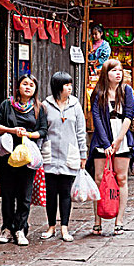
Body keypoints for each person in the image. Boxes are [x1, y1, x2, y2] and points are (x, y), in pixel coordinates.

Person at [0, 74, 47, 246]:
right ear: (18, 87)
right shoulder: (7, 105)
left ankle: (20, 229)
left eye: (31, 85)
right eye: (25, 84)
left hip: (28, 155)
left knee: (25, 195)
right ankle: (7, 228)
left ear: (35, 89)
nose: (28, 87)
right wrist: (12, 130)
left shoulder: (39, 108)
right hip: (7, 154)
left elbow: (43, 131)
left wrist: (29, 134)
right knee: (8, 194)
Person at [87, 59, 134, 235]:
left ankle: (119, 221)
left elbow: (129, 115)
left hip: (121, 138)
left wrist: (118, 140)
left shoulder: (126, 90)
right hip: (102, 139)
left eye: (120, 70)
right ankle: (97, 220)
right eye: (114, 70)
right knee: (99, 179)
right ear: (106, 73)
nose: (118, 73)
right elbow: (96, 118)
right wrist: (106, 143)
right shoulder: (98, 93)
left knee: (121, 178)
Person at [40, 72, 87, 242]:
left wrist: (83, 154)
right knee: (51, 193)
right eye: (66, 84)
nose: (70, 87)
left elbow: (81, 131)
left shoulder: (75, 105)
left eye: (70, 84)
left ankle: (65, 228)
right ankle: (51, 226)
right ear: (58, 86)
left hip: (70, 153)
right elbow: (42, 130)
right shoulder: (46, 105)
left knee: (66, 193)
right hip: (50, 154)